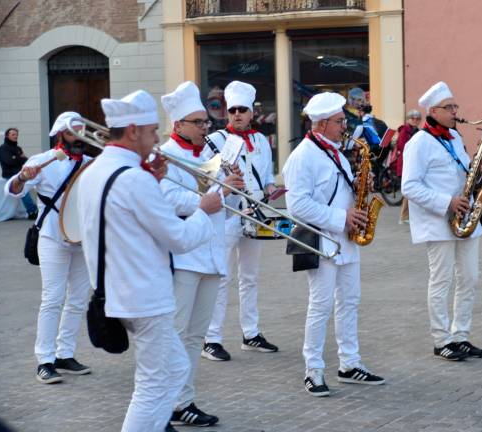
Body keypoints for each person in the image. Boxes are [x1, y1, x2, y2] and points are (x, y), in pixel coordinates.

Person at [76, 89, 221, 432]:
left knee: (174, 369)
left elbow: (122, 218)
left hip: (117, 291)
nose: (157, 137)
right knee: (154, 385)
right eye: (153, 130)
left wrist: (152, 181)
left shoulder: (98, 171)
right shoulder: (133, 179)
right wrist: (204, 209)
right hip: (144, 296)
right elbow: (180, 238)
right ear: (132, 131)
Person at [283, 91, 385, 397]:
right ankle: (313, 370)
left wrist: (360, 192)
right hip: (323, 240)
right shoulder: (302, 156)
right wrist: (342, 216)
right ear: (323, 123)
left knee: (350, 302)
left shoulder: (337, 151)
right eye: (340, 121)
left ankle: (349, 363)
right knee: (321, 306)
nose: (345, 126)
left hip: (346, 240)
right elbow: (297, 206)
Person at [160, 81, 245, 426]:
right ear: (178, 125)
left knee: (195, 335)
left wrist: (234, 188)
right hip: (182, 255)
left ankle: (184, 400)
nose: (205, 128)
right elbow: (164, 198)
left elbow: (228, 207)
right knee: (175, 334)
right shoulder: (165, 155)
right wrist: (206, 200)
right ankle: (162, 405)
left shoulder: (211, 157)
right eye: (198, 123)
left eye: (206, 123)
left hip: (210, 253)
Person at [401, 82, 482, 361]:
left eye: (455, 106)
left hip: (464, 219)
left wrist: (475, 172)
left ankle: (461, 335)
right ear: (434, 111)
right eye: (449, 107)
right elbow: (409, 187)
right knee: (441, 280)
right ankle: (441, 340)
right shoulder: (419, 143)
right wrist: (446, 202)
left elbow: (459, 175)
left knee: (469, 279)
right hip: (438, 221)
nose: (455, 112)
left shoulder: (453, 138)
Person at [5, 112, 94, 384]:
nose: (78, 138)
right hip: (53, 238)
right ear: (60, 135)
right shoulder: (43, 161)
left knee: (77, 300)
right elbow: (12, 189)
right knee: (52, 299)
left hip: (81, 241)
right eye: (72, 133)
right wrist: (22, 177)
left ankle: (64, 354)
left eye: (81, 132)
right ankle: (44, 360)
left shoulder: (91, 164)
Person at [202, 80, 279, 362]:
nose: (236, 114)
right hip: (226, 216)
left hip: (255, 214)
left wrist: (272, 189)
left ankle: (251, 332)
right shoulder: (215, 142)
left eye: (242, 110)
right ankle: (211, 338)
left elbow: (267, 177)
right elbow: (204, 178)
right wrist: (224, 181)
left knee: (250, 277)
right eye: (232, 109)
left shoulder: (261, 141)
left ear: (251, 113)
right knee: (221, 277)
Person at [0, 127, 38, 219]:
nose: (15, 136)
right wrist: (20, 158)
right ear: (7, 136)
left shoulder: (18, 148)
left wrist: (16, 158)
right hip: (10, 174)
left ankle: (36, 208)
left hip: (20, 173)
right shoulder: (3, 148)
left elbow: (26, 161)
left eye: (16, 135)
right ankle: (32, 211)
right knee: (23, 189)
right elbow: (9, 161)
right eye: (13, 135)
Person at [395, 109, 421, 224]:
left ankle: (408, 216)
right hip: (406, 163)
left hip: (415, 163)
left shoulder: (417, 131)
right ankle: (404, 217)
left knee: (412, 191)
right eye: (413, 118)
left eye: (417, 118)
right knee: (409, 191)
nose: (415, 120)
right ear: (408, 119)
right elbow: (402, 145)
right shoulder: (405, 130)